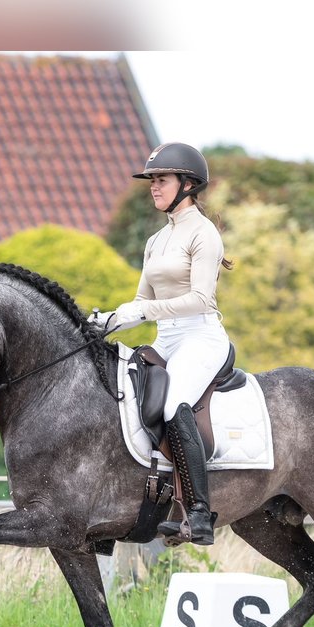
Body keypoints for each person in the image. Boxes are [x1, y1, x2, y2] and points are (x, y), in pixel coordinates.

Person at [91, 142, 232, 545]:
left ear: (187, 184)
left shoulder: (204, 235)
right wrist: (110, 320)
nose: (154, 187)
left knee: (172, 405)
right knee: (121, 395)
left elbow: (201, 299)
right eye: (152, 180)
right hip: (167, 339)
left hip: (201, 337)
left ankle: (200, 514)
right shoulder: (156, 240)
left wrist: (142, 313)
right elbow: (141, 302)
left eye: (162, 180)